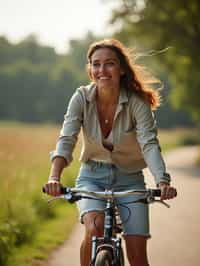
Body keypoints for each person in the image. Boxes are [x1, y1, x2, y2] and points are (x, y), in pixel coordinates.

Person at [44, 38, 177, 266]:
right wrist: (54, 177)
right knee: (94, 229)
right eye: (96, 64)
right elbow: (67, 138)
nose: (101, 70)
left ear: (122, 69)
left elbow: (149, 143)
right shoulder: (81, 98)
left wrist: (162, 181)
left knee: (137, 254)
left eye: (109, 64)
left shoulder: (137, 103)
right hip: (91, 177)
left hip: (130, 180)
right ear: (90, 69)